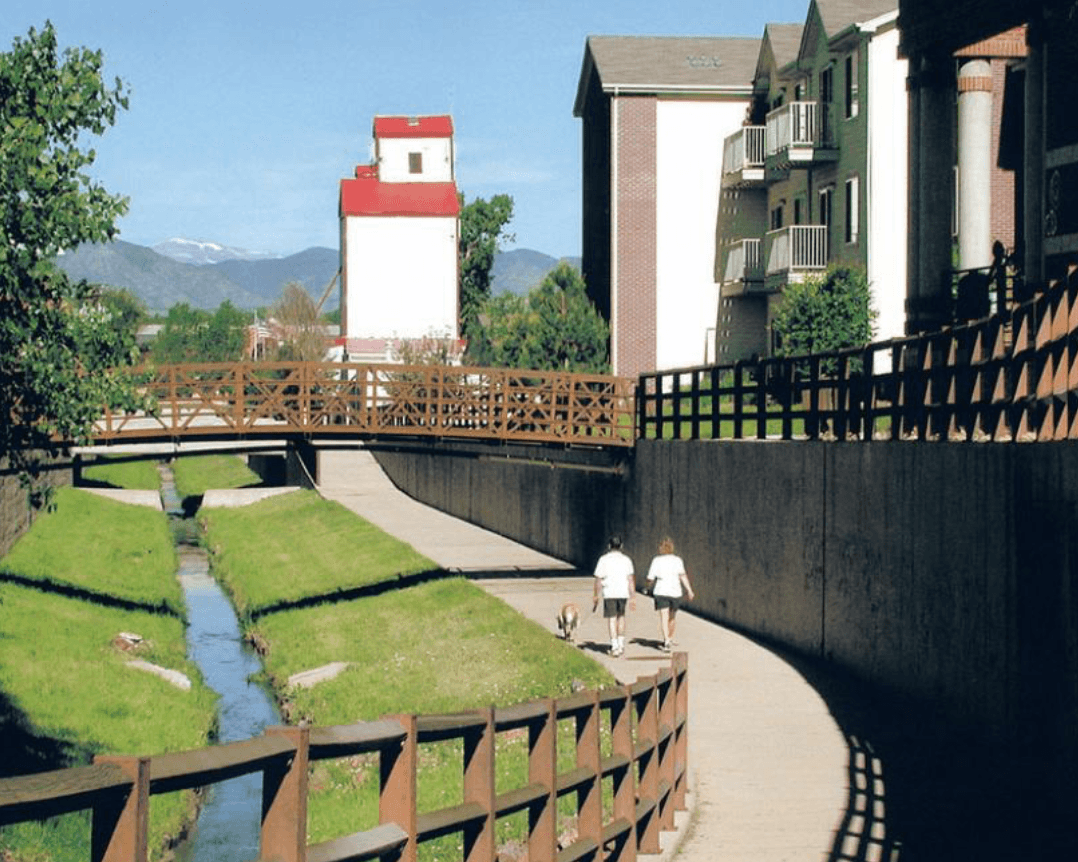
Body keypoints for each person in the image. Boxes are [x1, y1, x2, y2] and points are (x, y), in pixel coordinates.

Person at [645, 537, 695, 652]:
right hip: (675, 592)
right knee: (672, 617)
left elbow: (650, 578)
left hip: (661, 591)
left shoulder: (656, 560)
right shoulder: (678, 560)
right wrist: (689, 590)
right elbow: (682, 576)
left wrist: (647, 586)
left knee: (664, 617)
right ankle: (670, 638)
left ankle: (666, 641)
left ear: (661, 548)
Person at [592, 535, 635, 657]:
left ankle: (614, 646)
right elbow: (630, 579)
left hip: (610, 593)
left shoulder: (603, 560)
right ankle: (621, 645)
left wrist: (596, 595)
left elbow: (598, 579)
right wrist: (633, 596)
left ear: (609, 546)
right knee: (621, 617)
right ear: (621, 546)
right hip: (623, 593)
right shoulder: (627, 560)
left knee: (612, 619)